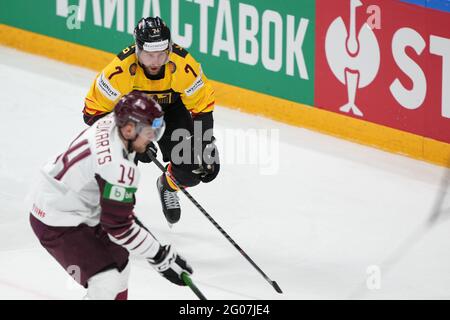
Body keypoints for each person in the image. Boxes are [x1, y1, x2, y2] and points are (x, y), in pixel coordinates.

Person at [29, 92, 193, 300]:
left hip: (78, 202)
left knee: (120, 265)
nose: (152, 137)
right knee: (106, 281)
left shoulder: (112, 122)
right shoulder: (117, 166)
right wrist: (159, 256)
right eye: (149, 132)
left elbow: (117, 215)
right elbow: (118, 227)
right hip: (56, 219)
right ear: (129, 129)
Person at [82, 16, 220, 226]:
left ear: (169, 49)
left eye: (161, 54)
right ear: (137, 50)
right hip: (131, 119)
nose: (155, 61)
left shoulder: (183, 66)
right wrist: (133, 141)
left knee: (192, 172)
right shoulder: (119, 71)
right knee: (119, 170)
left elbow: (203, 107)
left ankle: (167, 185)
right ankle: (121, 213)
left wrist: (205, 144)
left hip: (170, 110)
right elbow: (92, 113)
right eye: (148, 55)